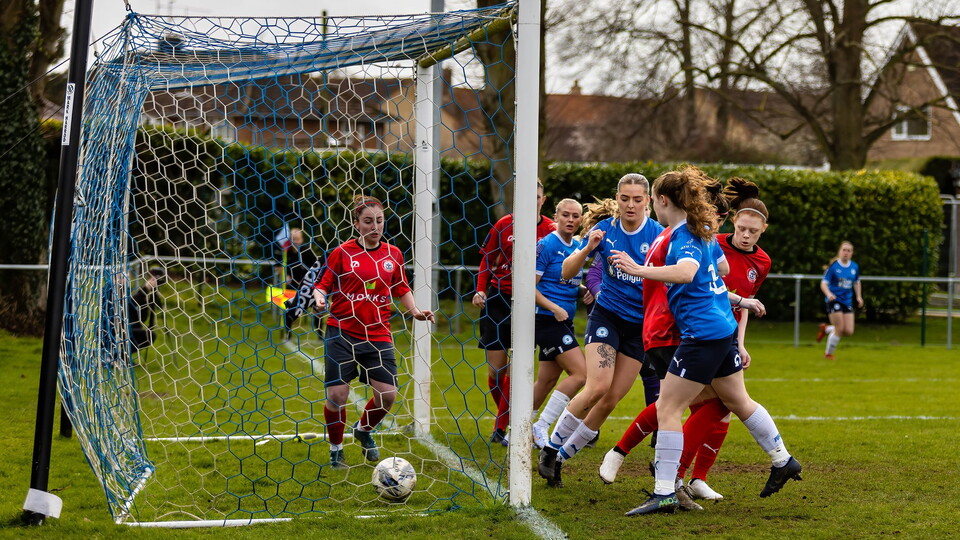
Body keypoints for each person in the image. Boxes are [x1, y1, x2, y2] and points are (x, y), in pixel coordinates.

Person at [616, 167, 799, 516]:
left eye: (652, 200)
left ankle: (664, 492)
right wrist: (736, 298)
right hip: (721, 330)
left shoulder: (686, 233)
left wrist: (639, 270)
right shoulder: (700, 232)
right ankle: (783, 459)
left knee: (668, 408)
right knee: (737, 401)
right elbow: (724, 271)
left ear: (662, 200)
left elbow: (686, 272)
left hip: (701, 335)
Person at [537, 173, 664, 488]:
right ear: (617, 199)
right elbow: (568, 271)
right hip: (607, 317)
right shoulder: (604, 231)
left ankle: (562, 457)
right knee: (596, 387)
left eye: (637, 199)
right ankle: (550, 449)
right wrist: (586, 249)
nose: (630, 205)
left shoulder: (660, 236)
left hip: (639, 327)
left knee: (611, 399)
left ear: (647, 201)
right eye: (625, 198)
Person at [313, 196, 435, 469]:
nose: (375, 226)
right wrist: (320, 297)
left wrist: (415, 311)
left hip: (377, 334)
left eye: (379, 221)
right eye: (368, 221)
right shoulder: (342, 253)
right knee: (337, 396)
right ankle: (336, 449)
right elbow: (322, 284)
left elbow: (401, 288)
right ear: (356, 224)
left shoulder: (394, 254)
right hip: (342, 332)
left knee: (388, 394)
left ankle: (364, 429)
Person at [473, 181, 556, 446]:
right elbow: (487, 259)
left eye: (537, 196)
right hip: (498, 300)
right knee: (497, 370)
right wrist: (480, 290)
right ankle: (507, 418)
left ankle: (501, 427)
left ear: (543, 200)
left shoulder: (550, 230)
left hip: (530, 302)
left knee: (521, 369)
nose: (532, 200)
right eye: (527, 196)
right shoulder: (504, 225)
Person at [531, 199, 589, 449]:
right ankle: (541, 425)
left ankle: (517, 428)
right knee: (581, 374)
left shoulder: (577, 246)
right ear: (555, 216)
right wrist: (553, 307)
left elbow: (565, 283)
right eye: (565, 215)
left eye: (576, 216)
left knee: (546, 380)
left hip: (563, 320)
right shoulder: (546, 245)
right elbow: (528, 286)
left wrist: (584, 291)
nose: (571, 220)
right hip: (546, 319)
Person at [816, 241, 863, 360]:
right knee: (839, 328)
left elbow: (857, 282)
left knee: (848, 331)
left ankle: (826, 329)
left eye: (849, 250)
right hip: (834, 300)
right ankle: (828, 354)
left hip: (847, 301)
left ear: (852, 253)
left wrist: (858, 296)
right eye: (844, 250)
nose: (846, 253)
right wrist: (829, 294)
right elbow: (823, 284)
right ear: (839, 252)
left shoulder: (854, 267)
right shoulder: (834, 267)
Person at [283, 227, 323, 339]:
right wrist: (287, 276)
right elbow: (286, 267)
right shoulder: (288, 252)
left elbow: (315, 267)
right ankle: (288, 334)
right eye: (293, 239)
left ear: (302, 239)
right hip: (293, 285)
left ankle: (320, 334)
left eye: (298, 239)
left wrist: (308, 280)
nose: (295, 242)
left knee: (318, 308)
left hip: (308, 286)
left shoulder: (307, 251)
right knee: (288, 309)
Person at [129, 267, 166, 355]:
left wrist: (146, 299)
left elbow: (142, 319)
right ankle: (117, 355)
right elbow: (130, 304)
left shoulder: (131, 291)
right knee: (149, 336)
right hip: (116, 329)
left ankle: (122, 355)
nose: (127, 276)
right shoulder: (113, 291)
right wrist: (145, 289)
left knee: (149, 335)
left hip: (130, 327)